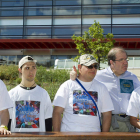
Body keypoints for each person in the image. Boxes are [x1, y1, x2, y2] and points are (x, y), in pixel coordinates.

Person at [70, 47, 140, 132]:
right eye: (121, 60)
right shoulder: (98, 76)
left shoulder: (132, 77)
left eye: (126, 59)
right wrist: (74, 76)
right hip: (108, 122)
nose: (125, 62)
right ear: (112, 62)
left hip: (129, 123)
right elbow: (83, 81)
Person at [53, 54, 114, 132]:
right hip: (68, 135)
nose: (93, 69)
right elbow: (57, 112)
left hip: (94, 136)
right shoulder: (67, 85)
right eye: (89, 66)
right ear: (79, 67)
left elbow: (107, 114)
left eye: (95, 66)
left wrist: (105, 137)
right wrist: (57, 136)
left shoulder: (102, 88)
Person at [8, 56, 53, 132]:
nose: (31, 71)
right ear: (20, 70)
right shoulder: (12, 94)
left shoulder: (43, 93)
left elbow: (48, 120)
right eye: (27, 68)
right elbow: (8, 120)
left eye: (33, 68)